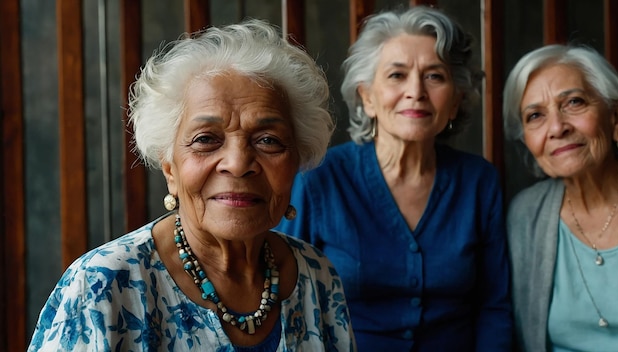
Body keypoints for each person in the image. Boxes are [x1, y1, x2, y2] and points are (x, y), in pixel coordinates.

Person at [28, 19, 356, 351]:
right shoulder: (104, 284)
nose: (238, 163)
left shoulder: (316, 274)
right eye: (206, 139)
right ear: (170, 168)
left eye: (268, 140)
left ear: (296, 163)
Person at [275, 5, 512, 351]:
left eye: (435, 76)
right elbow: (287, 301)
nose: (416, 91)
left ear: (456, 99)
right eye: (397, 75)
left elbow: (494, 307)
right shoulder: (319, 179)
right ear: (367, 96)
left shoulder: (479, 182)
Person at [504, 44, 618, 351]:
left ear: (616, 120)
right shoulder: (525, 216)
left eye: (574, 102)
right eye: (535, 116)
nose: (557, 128)